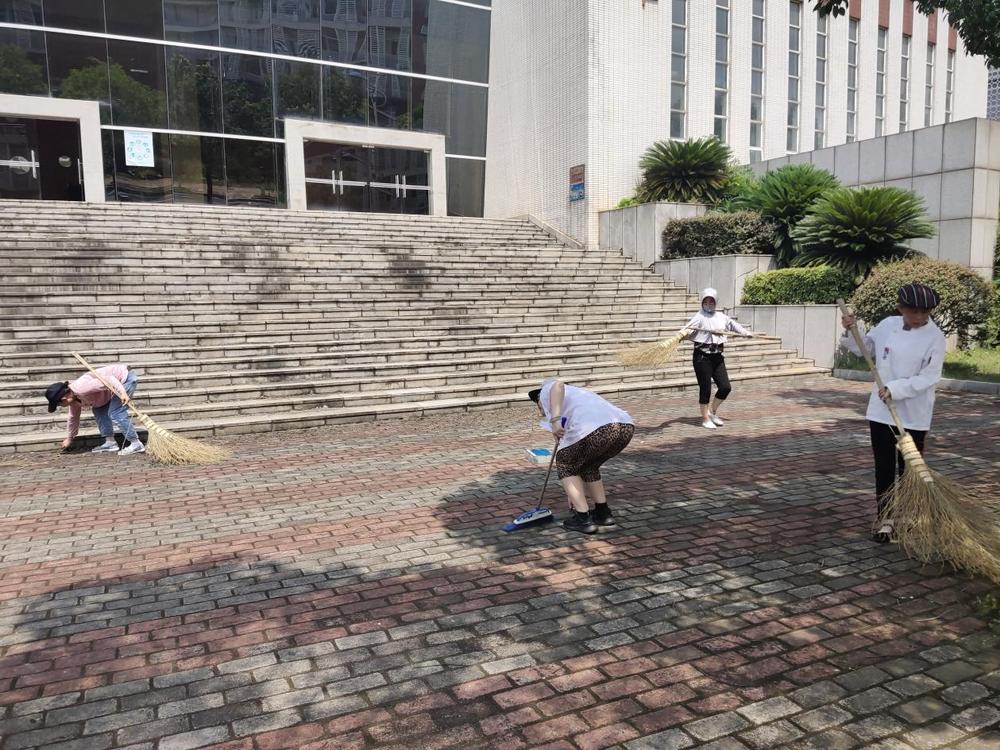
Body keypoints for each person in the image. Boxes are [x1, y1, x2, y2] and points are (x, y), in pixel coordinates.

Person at [840, 282, 946, 543]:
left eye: (925, 312)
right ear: (900, 308)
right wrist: (852, 331)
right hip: (881, 411)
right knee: (884, 467)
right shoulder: (888, 325)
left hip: (913, 412)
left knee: (910, 469)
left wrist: (895, 389)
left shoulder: (935, 337)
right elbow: (865, 349)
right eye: (913, 311)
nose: (919, 317)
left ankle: (909, 515)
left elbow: (930, 376)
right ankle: (885, 517)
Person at [529, 379, 634, 534]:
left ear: (539, 397)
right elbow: (573, 450)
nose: (539, 409)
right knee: (588, 466)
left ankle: (583, 518)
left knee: (565, 463)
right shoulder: (578, 396)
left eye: (537, 404)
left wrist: (555, 420)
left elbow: (558, 385)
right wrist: (574, 492)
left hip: (598, 429)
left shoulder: (547, 391)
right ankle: (603, 513)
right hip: (624, 428)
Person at [684, 288, 752, 430]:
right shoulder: (699, 317)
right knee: (706, 388)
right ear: (702, 302)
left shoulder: (721, 316)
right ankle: (705, 418)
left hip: (717, 356)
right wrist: (682, 334)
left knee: (725, 387)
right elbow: (687, 330)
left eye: (711, 302)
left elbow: (733, 325)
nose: (709, 304)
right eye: (706, 301)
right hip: (702, 357)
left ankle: (712, 411)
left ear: (715, 302)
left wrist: (745, 333)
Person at [44, 363, 144, 456]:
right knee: (99, 409)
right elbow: (73, 418)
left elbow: (109, 379)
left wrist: (123, 392)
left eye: (58, 404)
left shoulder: (81, 388)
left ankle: (136, 443)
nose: (60, 406)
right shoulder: (74, 400)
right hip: (108, 389)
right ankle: (110, 442)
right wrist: (69, 438)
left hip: (124, 378)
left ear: (64, 399)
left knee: (115, 412)